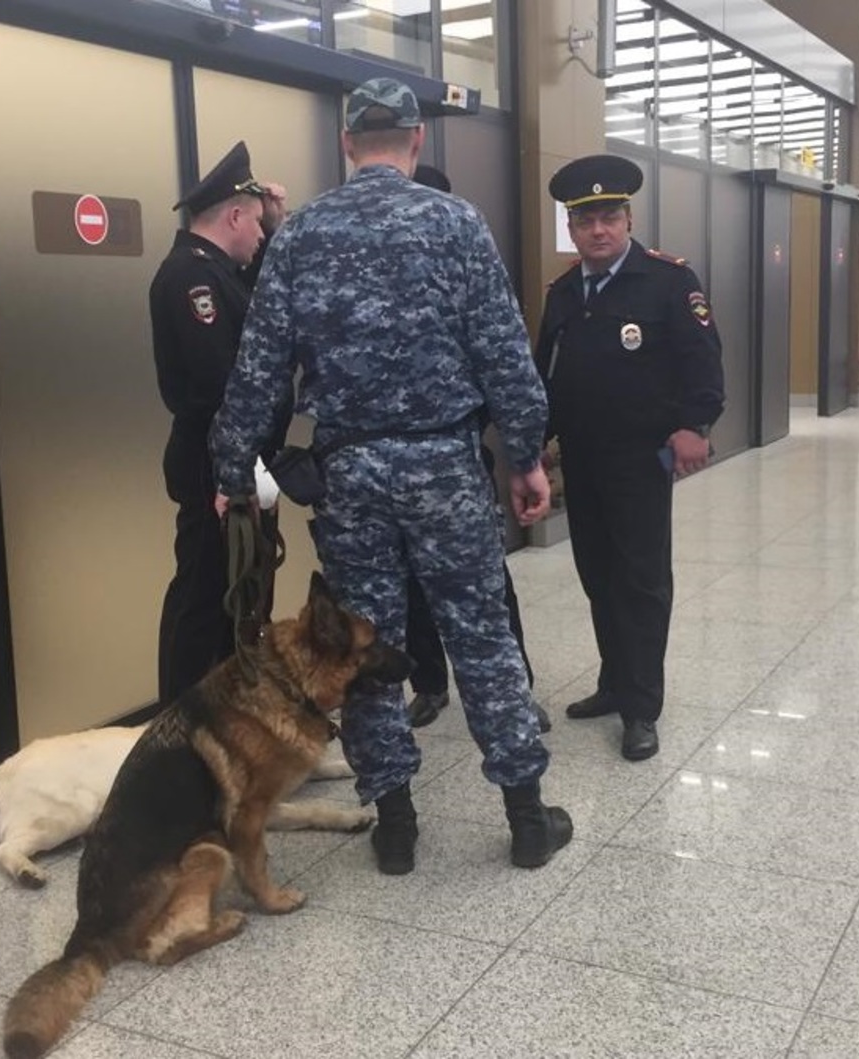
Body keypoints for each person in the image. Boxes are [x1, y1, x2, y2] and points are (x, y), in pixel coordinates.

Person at [210, 78, 571, 876]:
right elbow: (506, 356)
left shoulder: (300, 234)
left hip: (351, 475)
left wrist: (234, 470)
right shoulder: (456, 223)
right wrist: (526, 459)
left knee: (363, 644)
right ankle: (525, 817)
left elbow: (259, 370)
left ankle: (396, 823)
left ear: (346, 144)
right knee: (482, 634)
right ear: (414, 142)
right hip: (445, 464)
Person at [537, 155, 724, 762]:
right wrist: (535, 440)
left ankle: (642, 708)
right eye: (586, 219)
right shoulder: (563, 292)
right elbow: (547, 373)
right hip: (582, 461)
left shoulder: (669, 280)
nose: (599, 229)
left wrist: (694, 425)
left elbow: (702, 360)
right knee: (599, 577)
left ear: (628, 218)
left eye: (610, 217)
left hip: (642, 460)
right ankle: (614, 683)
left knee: (642, 582)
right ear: (571, 227)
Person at [400, 162, 547, 734]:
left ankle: (518, 692)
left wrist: (510, 442)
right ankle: (430, 684)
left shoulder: (462, 271)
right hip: (395, 462)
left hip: (457, 455)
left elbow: (501, 361)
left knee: (488, 586)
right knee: (410, 583)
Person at [150, 141, 288, 707]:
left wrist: (277, 230)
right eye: (256, 224)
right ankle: (179, 735)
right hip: (216, 465)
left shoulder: (221, 272)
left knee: (244, 598)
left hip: (238, 463)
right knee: (205, 597)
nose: (259, 237)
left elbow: (267, 303)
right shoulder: (191, 279)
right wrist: (237, 474)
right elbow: (218, 386)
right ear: (234, 215)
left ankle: (234, 727)